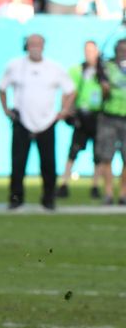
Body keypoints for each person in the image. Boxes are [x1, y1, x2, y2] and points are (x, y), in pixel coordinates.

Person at [0, 34, 75, 210]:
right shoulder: (15, 66)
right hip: (22, 120)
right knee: (18, 162)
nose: (35, 47)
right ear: (26, 45)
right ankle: (16, 197)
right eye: (31, 44)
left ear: (43, 46)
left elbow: (70, 90)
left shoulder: (54, 68)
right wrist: (6, 109)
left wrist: (63, 111)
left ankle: (48, 198)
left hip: (47, 121)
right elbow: (2, 88)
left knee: (48, 163)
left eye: (38, 44)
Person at [56, 41, 104, 200]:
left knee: (98, 153)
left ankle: (95, 185)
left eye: (92, 50)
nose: (89, 53)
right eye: (87, 50)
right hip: (82, 116)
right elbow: (69, 92)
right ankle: (64, 184)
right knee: (73, 151)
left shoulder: (104, 70)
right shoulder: (78, 70)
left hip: (99, 115)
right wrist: (67, 110)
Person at [96, 39, 126, 205]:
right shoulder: (107, 67)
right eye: (121, 49)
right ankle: (108, 192)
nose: (124, 52)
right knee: (106, 155)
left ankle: (123, 193)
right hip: (109, 116)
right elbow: (102, 83)